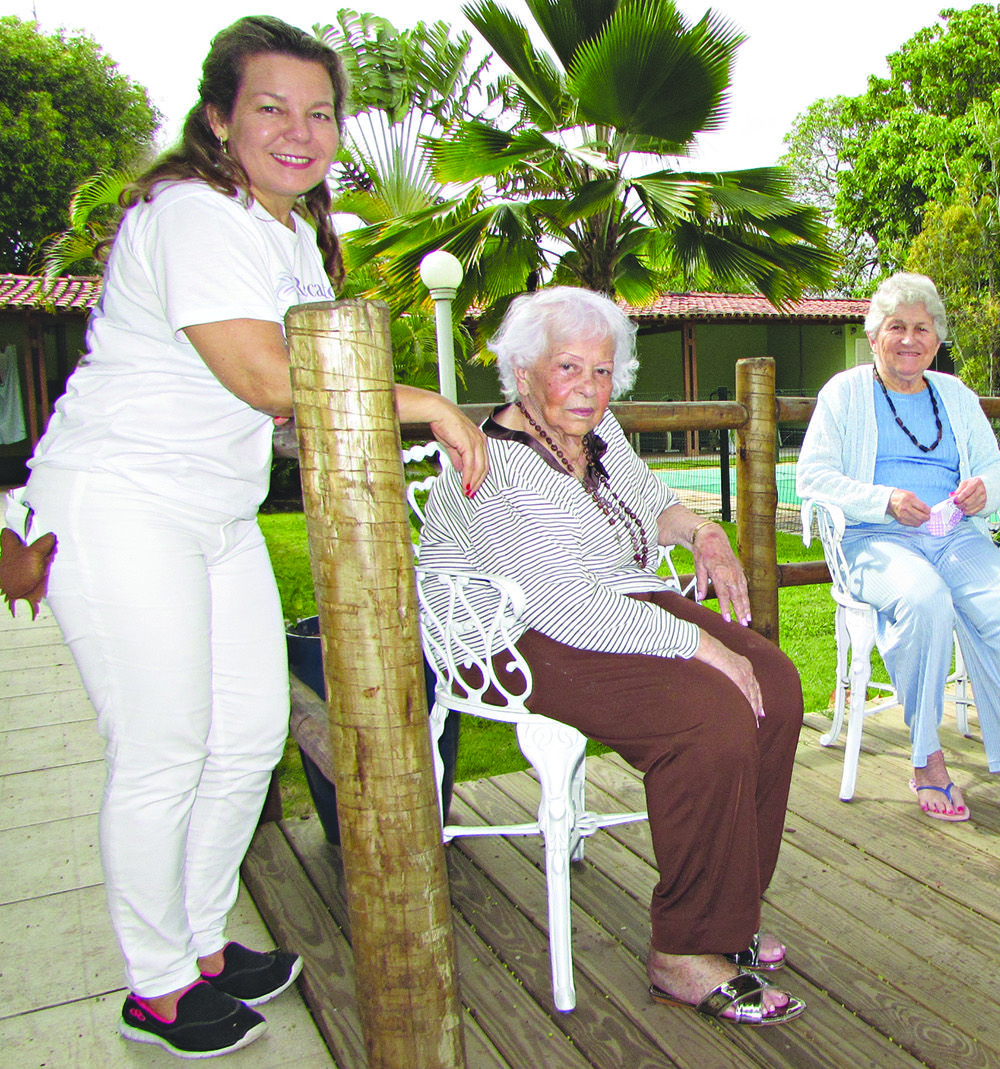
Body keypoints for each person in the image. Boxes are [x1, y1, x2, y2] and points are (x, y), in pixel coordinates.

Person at [21, 17, 487, 1058]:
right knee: (163, 747)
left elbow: (285, 408)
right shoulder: (193, 214)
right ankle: (153, 986)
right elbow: (275, 379)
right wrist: (436, 407)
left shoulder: (282, 233)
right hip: (119, 501)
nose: (299, 130)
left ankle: (197, 944)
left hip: (215, 512)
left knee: (243, 738)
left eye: (319, 112)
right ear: (219, 118)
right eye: (271, 107)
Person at [418, 286, 806, 1027]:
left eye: (602, 371)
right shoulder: (492, 461)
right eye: (569, 367)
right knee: (709, 713)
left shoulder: (597, 431)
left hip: (613, 601)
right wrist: (699, 645)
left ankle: (729, 914)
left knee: (778, 684)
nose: (589, 389)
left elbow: (651, 498)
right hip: (513, 632)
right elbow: (559, 604)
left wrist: (703, 532)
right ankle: (684, 951)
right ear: (524, 369)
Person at [794, 272, 1000, 852]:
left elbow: (996, 470)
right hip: (875, 537)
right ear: (875, 336)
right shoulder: (844, 394)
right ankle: (927, 757)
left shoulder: (956, 397)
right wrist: (883, 500)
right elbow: (811, 477)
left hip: (954, 534)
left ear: (937, 339)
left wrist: (979, 492)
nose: (910, 339)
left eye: (922, 328)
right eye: (897, 327)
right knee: (923, 598)